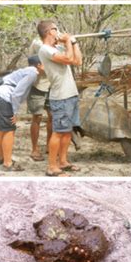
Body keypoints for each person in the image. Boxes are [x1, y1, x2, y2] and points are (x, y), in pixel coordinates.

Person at [37, 20, 82, 177]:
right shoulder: (45, 50)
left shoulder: (57, 48)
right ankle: (52, 166)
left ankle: (63, 161)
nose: (59, 32)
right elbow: (68, 59)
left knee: (67, 131)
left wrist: (74, 42)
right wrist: (68, 41)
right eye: (56, 29)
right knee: (58, 132)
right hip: (60, 97)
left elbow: (77, 60)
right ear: (50, 31)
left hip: (71, 94)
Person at [0, 55, 45, 171]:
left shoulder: (25, 70)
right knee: (9, 129)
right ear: (39, 65)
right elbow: (17, 93)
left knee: (2, 128)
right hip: (3, 97)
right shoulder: (33, 73)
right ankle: (8, 163)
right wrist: (14, 112)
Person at [27, 38, 52, 161]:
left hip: (52, 85)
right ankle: (35, 149)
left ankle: (49, 145)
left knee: (52, 116)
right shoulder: (38, 43)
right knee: (37, 117)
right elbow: (37, 66)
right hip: (37, 85)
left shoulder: (56, 44)